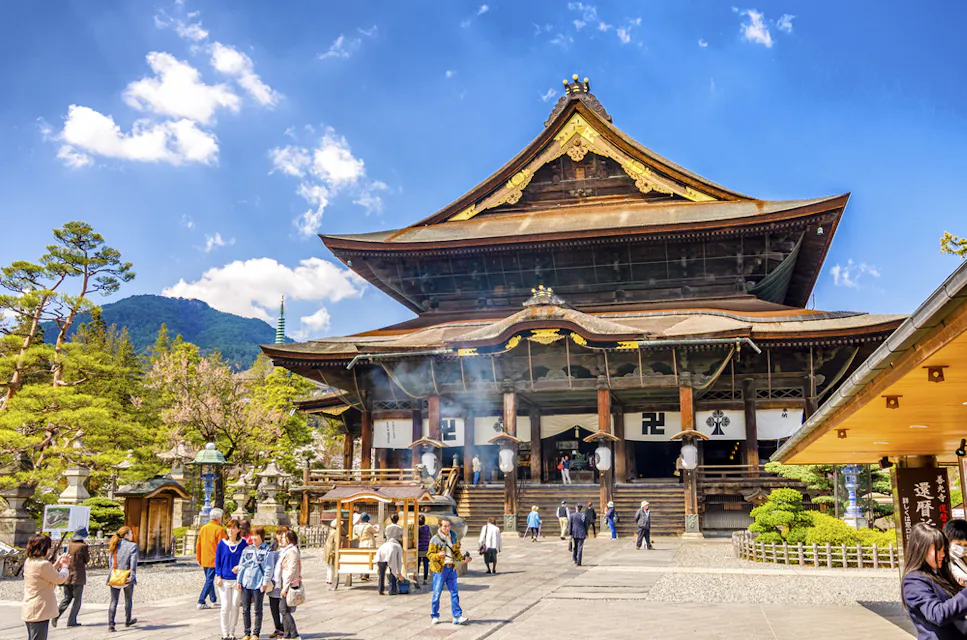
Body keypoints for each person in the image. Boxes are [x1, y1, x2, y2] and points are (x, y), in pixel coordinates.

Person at [901, 522, 967, 638]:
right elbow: (938, 614)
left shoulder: (938, 574)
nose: (942, 554)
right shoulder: (913, 581)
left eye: (943, 550)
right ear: (921, 549)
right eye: (938, 550)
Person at [22, 534, 70, 640]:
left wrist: (57, 564)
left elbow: (44, 574)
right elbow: (59, 578)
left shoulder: (29, 561)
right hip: (39, 609)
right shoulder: (43, 564)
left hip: (30, 606)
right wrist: (65, 567)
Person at [427, 517, 470, 625]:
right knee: (437, 593)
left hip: (451, 568)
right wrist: (438, 555)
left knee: (454, 592)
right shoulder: (435, 539)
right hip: (440, 569)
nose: (447, 528)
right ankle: (434, 615)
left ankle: (457, 616)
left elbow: (456, 552)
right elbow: (429, 555)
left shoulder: (453, 536)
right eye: (444, 526)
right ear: (439, 527)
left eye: (448, 526)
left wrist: (463, 559)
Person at [237, 525, 273, 640]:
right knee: (245, 608)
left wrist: (265, 582)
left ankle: (256, 633)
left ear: (261, 536)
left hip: (258, 582)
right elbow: (242, 565)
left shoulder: (267, 550)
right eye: (252, 535)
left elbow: (269, 568)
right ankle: (247, 632)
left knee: (258, 609)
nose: (253, 537)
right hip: (246, 581)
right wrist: (239, 580)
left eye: (256, 535)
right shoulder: (247, 549)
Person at [215, 519, 247, 640]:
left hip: (237, 580)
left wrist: (240, 567)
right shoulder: (222, 544)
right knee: (225, 606)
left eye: (233, 528)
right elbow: (217, 560)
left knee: (235, 605)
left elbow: (247, 560)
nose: (230, 530)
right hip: (224, 579)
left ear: (238, 530)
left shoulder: (243, 544)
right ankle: (225, 633)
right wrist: (218, 575)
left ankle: (232, 632)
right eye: (228, 528)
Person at [54, 526, 89, 628]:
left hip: (67, 575)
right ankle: (72, 620)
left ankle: (56, 616)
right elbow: (86, 560)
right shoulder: (83, 546)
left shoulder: (69, 545)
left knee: (67, 598)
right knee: (77, 600)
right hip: (78, 576)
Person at [107, 526, 138, 632]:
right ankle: (128, 619)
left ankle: (111, 624)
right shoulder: (132, 546)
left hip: (115, 575)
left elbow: (110, 562)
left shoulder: (114, 544)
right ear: (126, 535)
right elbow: (133, 563)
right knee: (128, 599)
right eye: (131, 533)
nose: (132, 535)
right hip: (126, 575)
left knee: (113, 601)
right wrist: (132, 576)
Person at [196, 508, 227, 610]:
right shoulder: (220, 530)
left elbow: (198, 544)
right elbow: (222, 546)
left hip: (204, 558)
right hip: (214, 559)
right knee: (209, 580)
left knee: (208, 580)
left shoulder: (203, 528)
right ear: (219, 518)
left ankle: (213, 599)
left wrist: (198, 557)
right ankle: (201, 600)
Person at [277, 530, 303, 640]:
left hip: (289, 583)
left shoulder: (292, 551)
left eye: (284, 537)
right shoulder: (287, 550)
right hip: (286, 581)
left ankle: (294, 633)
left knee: (283, 609)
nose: (282, 539)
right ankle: (287, 635)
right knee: (285, 610)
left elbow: (291, 570)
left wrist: (285, 586)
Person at [266, 527, 288, 640]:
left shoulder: (290, 548)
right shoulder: (273, 546)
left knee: (283, 607)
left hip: (284, 581)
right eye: (279, 534)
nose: (280, 536)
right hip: (273, 581)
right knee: (273, 606)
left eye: (282, 534)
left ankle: (284, 629)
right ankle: (277, 627)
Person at [375, 526, 405, 595]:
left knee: (381, 573)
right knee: (393, 572)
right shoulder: (397, 546)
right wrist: (399, 572)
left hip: (381, 555)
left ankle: (380, 589)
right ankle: (392, 590)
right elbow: (399, 561)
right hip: (391, 554)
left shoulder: (384, 544)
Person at [944, 519, 967, 586]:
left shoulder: (964, 558)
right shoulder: (944, 562)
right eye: (958, 544)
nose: (962, 548)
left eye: (966, 545)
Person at [355, 513, 377, 581]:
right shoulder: (368, 526)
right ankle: (366, 575)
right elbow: (375, 531)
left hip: (361, 543)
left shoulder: (357, 526)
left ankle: (362, 574)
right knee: (368, 559)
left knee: (362, 559)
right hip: (368, 544)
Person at [323, 519, 339, 590]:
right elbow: (336, 541)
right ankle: (330, 579)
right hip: (331, 550)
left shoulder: (331, 531)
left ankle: (328, 578)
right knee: (332, 565)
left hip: (327, 548)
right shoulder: (335, 532)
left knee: (329, 565)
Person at [417, 515, 431, 585]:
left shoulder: (417, 529)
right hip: (426, 548)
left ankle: (417, 578)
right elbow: (430, 536)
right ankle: (425, 580)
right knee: (426, 564)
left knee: (418, 564)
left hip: (419, 548)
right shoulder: (427, 527)